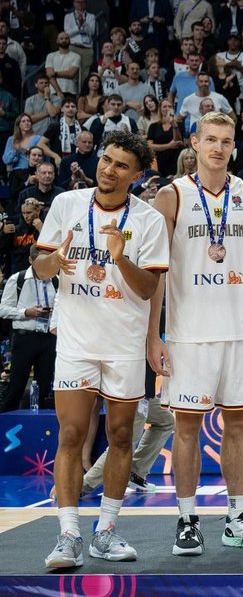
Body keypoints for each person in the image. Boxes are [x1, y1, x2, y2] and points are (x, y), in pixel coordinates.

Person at [33, 132, 167, 568]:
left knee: (122, 435)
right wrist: (56, 262)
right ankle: (67, 535)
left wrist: (121, 257)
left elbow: (149, 288)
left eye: (120, 165)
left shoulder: (148, 220)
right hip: (76, 339)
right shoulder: (67, 205)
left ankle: (105, 531)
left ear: (136, 174)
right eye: (106, 160)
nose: (108, 169)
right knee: (71, 435)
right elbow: (40, 263)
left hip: (124, 344)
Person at [153, 113, 243, 554]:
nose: (218, 148)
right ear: (193, 142)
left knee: (239, 426)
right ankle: (187, 520)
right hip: (188, 334)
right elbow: (156, 273)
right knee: (186, 428)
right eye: (210, 139)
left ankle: (238, 518)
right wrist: (154, 335)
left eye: (226, 141)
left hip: (239, 330)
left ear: (235, 146)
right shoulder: (170, 196)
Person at [0, 266, 55, 413]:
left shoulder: (55, 280)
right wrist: (26, 312)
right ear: (31, 260)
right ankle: (5, 427)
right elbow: (3, 309)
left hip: (48, 339)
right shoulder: (17, 279)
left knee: (44, 388)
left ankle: (41, 429)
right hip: (24, 338)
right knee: (16, 387)